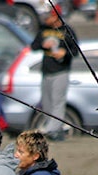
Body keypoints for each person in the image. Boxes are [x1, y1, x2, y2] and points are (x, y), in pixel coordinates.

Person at [31, 6, 77, 141]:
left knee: (58, 102)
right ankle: (53, 128)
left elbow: (75, 51)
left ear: (56, 16)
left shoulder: (67, 31)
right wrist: (42, 45)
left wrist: (64, 53)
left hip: (61, 71)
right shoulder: (43, 30)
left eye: (48, 16)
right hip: (46, 72)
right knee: (46, 103)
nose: (46, 19)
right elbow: (33, 46)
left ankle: (53, 130)